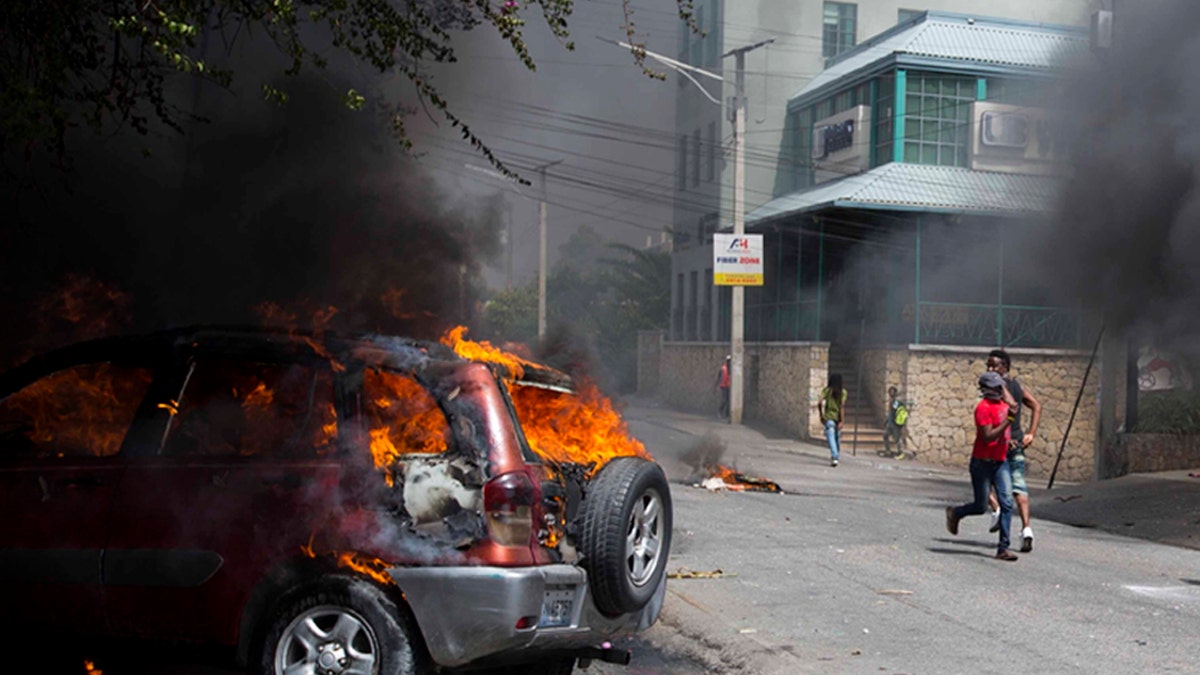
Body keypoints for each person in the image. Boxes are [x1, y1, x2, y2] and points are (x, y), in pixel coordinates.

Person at [945, 371, 1020, 561]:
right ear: (986, 389)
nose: (998, 391)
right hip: (981, 463)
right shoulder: (983, 408)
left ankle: (1003, 547)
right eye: (995, 387)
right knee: (980, 506)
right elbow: (988, 436)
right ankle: (956, 512)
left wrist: (1008, 439)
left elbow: (1013, 406)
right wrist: (1008, 421)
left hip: (1000, 462)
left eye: (999, 388)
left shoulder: (1004, 406)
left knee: (1007, 502)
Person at [984, 348, 1043, 553]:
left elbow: (1002, 414)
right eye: (988, 365)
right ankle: (1026, 529)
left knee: (982, 478)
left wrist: (1008, 436)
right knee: (1019, 486)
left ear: (1005, 368)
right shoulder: (1017, 386)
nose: (991, 369)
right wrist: (1030, 434)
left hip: (1002, 443)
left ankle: (997, 510)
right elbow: (1036, 405)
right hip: (1018, 443)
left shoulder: (997, 388)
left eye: (995, 365)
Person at [817, 373, 847, 467]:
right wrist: (842, 421)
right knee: (837, 438)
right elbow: (842, 407)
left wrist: (821, 415)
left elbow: (819, 402)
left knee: (831, 438)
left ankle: (835, 456)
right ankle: (835, 456)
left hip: (829, 418)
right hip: (837, 418)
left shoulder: (827, 391)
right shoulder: (843, 392)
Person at [882, 386, 907, 458]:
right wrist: (886, 420)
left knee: (897, 438)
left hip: (895, 423)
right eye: (890, 392)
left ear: (895, 393)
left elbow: (893, 410)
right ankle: (888, 450)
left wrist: (891, 402)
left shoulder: (896, 401)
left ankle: (900, 453)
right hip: (890, 423)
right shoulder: (892, 401)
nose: (891, 393)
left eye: (893, 392)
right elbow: (890, 412)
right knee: (885, 435)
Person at [715, 355, 731, 420]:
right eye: (728, 361)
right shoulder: (723, 368)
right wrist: (716, 385)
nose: (729, 362)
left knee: (728, 400)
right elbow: (719, 377)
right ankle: (720, 412)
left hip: (729, 386)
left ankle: (727, 414)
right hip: (723, 386)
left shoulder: (731, 368)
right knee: (724, 400)